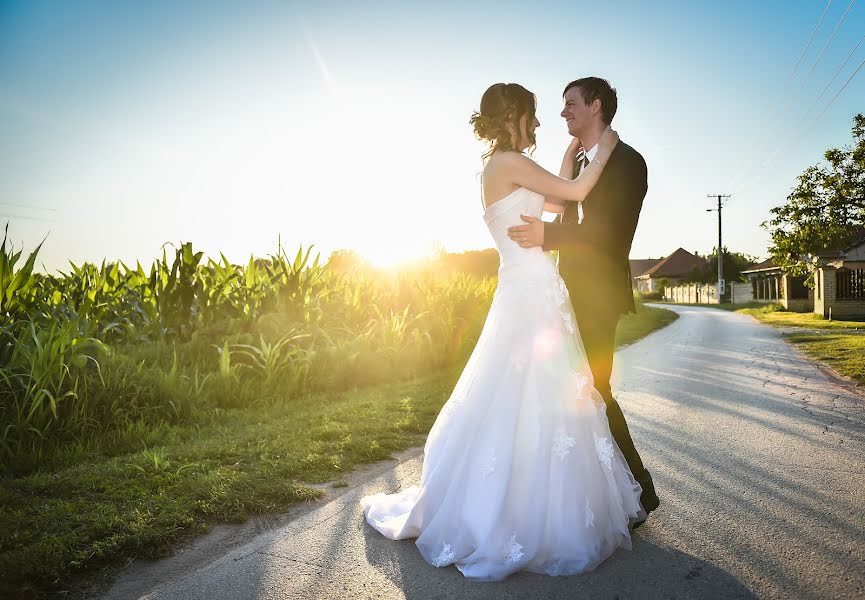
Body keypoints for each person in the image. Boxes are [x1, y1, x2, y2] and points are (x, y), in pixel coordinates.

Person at [360, 82, 644, 582]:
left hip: (532, 288)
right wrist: (607, 149)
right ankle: (515, 510)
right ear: (513, 116)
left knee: (539, 391)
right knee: (531, 391)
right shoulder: (506, 164)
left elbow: (553, 207)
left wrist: (566, 158)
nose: (540, 123)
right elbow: (576, 194)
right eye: (533, 115)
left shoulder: (508, 166)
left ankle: (530, 499)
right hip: (529, 291)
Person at [506, 77, 659, 522]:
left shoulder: (628, 162)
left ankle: (639, 487)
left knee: (595, 387)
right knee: (570, 391)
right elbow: (560, 201)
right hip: (562, 291)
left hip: (598, 294)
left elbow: (605, 232)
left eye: (570, 103)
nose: (563, 112)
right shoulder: (580, 161)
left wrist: (545, 235)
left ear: (595, 106)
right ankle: (591, 491)